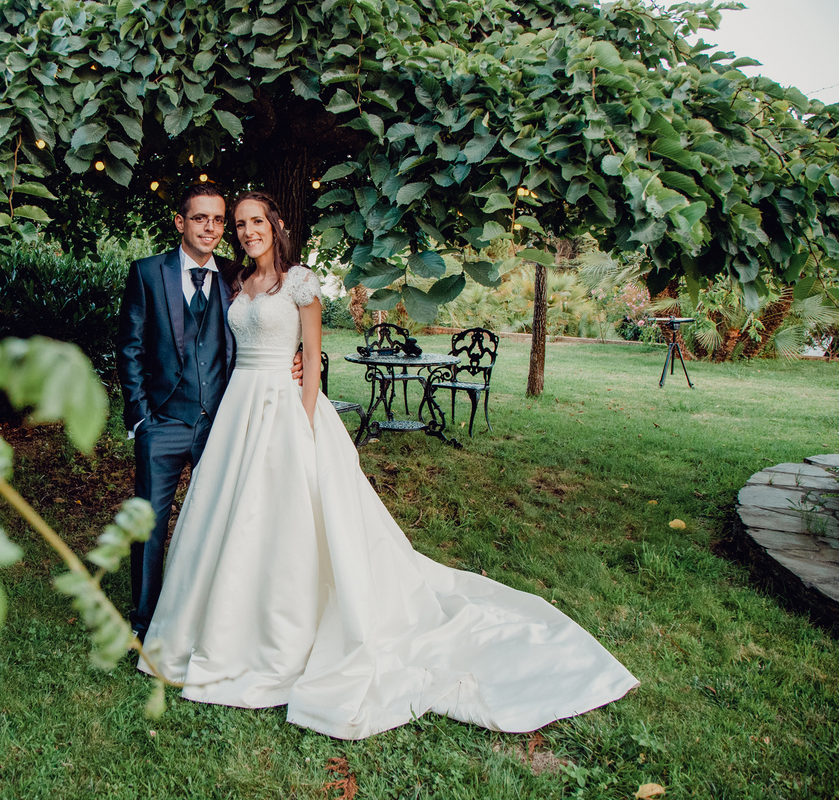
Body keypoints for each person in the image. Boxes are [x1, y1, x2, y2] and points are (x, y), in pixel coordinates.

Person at [138, 190, 639, 740]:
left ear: (276, 225)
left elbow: (312, 360)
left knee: (288, 521)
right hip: (239, 410)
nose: (246, 231)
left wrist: (303, 423)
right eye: (239, 224)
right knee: (229, 518)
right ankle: (218, 625)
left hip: (285, 411)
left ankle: (281, 635)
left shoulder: (301, 283)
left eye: (256, 221)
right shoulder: (236, 282)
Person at [116, 185, 300, 642]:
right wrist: (141, 418)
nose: (211, 228)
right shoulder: (147, 273)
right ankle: (144, 621)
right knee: (150, 525)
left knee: (220, 520)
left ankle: (208, 618)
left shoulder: (236, 277)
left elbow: (266, 323)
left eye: (219, 220)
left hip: (222, 423)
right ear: (181, 222)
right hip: (162, 422)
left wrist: (290, 359)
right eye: (200, 218)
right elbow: (130, 348)